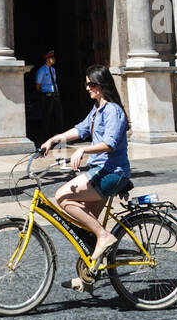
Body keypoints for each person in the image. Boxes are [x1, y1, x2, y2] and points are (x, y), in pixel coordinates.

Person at [40, 63, 130, 267]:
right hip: (100, 171)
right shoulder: (97, 110)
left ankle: (104, 236)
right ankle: (89, 274)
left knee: (62, 196)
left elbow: (109, 144)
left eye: (91, 84)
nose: (87, 88)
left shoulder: (113, 111)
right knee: (87, 233)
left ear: (102, 85)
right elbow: (80, 130)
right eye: (86, 84)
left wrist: (83, 150)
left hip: (111, 172)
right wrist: (54, 139)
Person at [34, 51, 63, 142]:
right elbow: (38, 85)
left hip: (55, 95)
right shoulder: (42, 70)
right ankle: (45, 137)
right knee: (47, 117)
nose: (54, 60)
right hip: (47, 96)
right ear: (47, 59)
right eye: (52, 58)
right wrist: (43, 94)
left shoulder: (53, 70)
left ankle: (60, 137)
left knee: (59, 116)